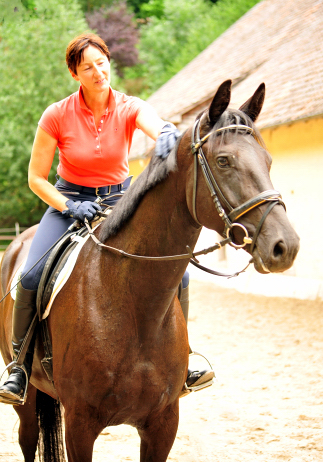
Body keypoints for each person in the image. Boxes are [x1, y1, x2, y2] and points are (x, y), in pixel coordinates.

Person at [0, 33, 214, 404]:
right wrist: (68, 206)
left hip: (120, 200)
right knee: (32, 273)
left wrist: (165, 133)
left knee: (178, 269)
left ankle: (185, 357)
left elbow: (154, 122)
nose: (99, 72)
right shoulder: (56, 115)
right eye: (88, 67)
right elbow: (35, 178)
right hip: (70, 201)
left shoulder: (128, 106)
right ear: (75, 74)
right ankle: (18, 366)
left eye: (102, 63)